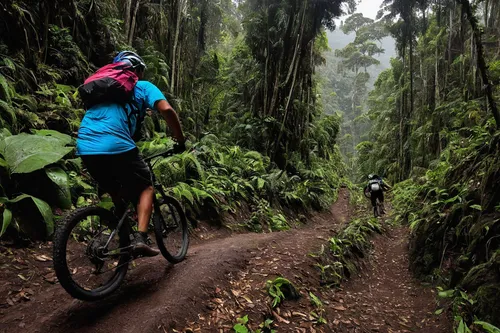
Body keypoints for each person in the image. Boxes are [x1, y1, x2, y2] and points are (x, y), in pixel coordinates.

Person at [76, 51, 186, 257]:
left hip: (86, 145)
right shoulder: (143, 87)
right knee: (146, 187)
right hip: (116, 144)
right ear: (137, 71)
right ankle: (140, 239)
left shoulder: (103, 92)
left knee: (118, 193)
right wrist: (180, 140)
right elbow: (168, 110)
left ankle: (118, 237)